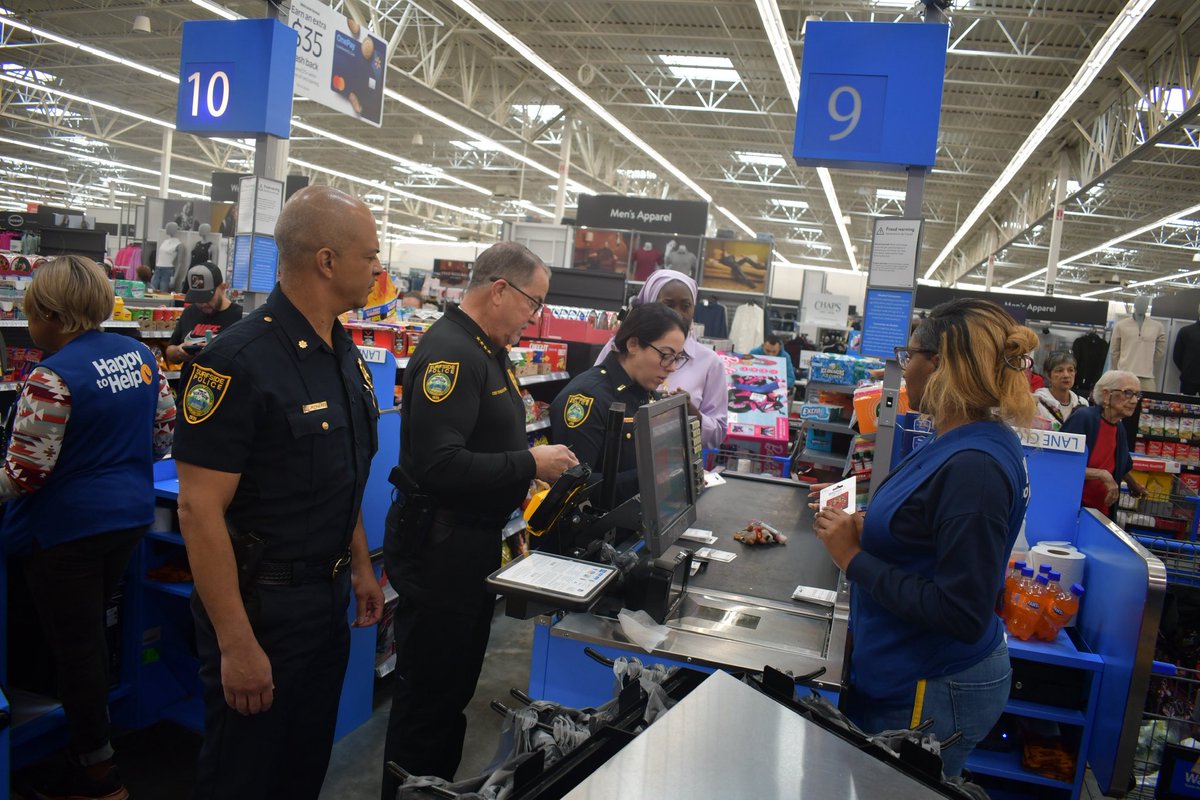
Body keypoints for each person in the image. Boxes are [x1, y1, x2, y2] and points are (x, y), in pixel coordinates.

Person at [174, 186, 385, 799]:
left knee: (301, 770)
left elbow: (336, 474)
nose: (378, 269)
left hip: (326, 605)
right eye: (369, 255)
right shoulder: (234, 362)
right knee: (245, 777)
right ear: (326, 260)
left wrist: (363, 567)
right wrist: (236, 644)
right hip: (259, 612)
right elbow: (198, 509)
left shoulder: (343, 352)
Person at [811, 298, 1037, 777]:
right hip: (907, 669)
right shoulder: (962, 437)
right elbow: (926, 524)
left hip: (931, 684)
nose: (903, 366)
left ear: (940, 365)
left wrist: (853, 558)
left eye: (908, 354)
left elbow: (961, 612)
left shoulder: (975, 466)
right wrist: (865, 523)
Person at [382, 242, 577, 792]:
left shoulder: (485, 348)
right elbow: (440, 464)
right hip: (440, 550)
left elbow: (481, 443)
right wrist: (528, 460)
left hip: (466, 547)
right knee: (428, 704)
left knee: (450, 696)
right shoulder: (451, 354)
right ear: (499, 290)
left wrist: (520, 472)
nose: (535, 317)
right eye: (533, 303)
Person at [1, 255, 175, 800]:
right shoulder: (143, 356)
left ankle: (98, 776)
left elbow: (24, 475)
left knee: (74, 650)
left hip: (64, 533)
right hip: (127, 520)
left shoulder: (53, 375)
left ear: (51, 315)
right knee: (90, 641)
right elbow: (162, 437)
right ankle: (91, 749)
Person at [550, 303, 690, 504]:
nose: (673, 367)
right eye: (666, 355)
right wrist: (653, 478)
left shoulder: (647, 393)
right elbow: (572, 487)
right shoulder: (588, 397)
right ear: (633, 344)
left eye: (678, 358)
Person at [595, 270, 727, 450]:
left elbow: (717, 436)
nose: (678, 314)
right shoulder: (620, 348)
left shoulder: (710, 363)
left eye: (686, 305)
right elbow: (596, 395)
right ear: (649, 304)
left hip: (674, 468)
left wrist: (691, 413)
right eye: (668, 305)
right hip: (617, 459)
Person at [1061, 370, 1148, 514]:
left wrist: (1134, 485)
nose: (1134, 401)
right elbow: (1062, 466)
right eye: (1128, 393)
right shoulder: (1084, 418)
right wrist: (1102, 475)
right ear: (1107, 394)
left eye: (1137, 395)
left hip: (1102, 511)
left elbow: (1121, 463)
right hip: (1073, 509)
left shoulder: (1118, 427)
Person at [164, 261, 244, 387]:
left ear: (223, 288)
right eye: (198, 298)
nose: (202, 304)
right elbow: (170, 351)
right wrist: (179, 352)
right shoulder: (189, 312)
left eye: (207, 298)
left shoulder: (240, 316)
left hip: (224, 393)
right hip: (188, 391)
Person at [1033, 351, 1087, 431]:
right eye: (1059, 370)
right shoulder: (1037, 402)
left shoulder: (1082, 405)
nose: (1066, 375)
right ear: (1048, 375)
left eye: (1070, 370)